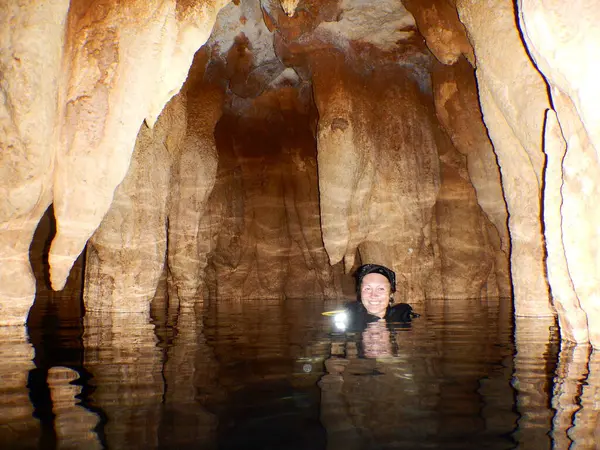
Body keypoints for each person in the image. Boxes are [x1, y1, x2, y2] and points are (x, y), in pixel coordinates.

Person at [342, 263, 419, 332]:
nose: (373, 295)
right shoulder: (346, 320)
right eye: (367, 289)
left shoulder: (405, 318)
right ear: (360, 293)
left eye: (381, 289)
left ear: (391, 294)